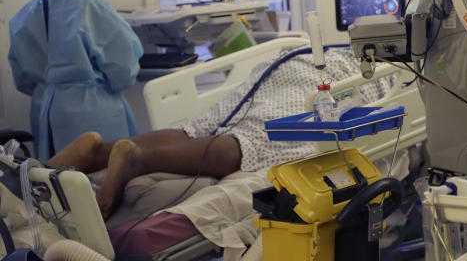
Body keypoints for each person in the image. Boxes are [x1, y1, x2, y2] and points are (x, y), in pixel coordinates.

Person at [47, 47, 397, 219]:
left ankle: (99, 152)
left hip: (289, 59)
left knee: (203, 127)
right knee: (257, 138)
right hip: (326, 79)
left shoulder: (343, 43)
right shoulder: (402, 69)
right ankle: (138, 160)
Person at [8, 0, 143, 161]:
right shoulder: (94, 9)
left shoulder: (26, 13)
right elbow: (124, 70)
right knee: (100, 178)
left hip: (46, 110)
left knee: (56, 182)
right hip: (93, 112)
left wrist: (51, 88)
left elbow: (23, 77)